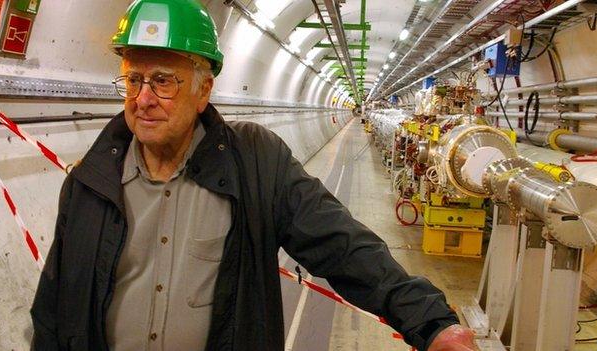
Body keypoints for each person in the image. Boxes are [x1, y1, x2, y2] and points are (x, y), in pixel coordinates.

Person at [30, 1, 477, 350]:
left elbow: (340, 243)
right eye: (133, 80)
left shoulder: (255, 163)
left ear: (204, 90)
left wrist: (429, 321)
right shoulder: (89, 182)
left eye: (163, 81)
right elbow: (53, 308)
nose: (143, 98)